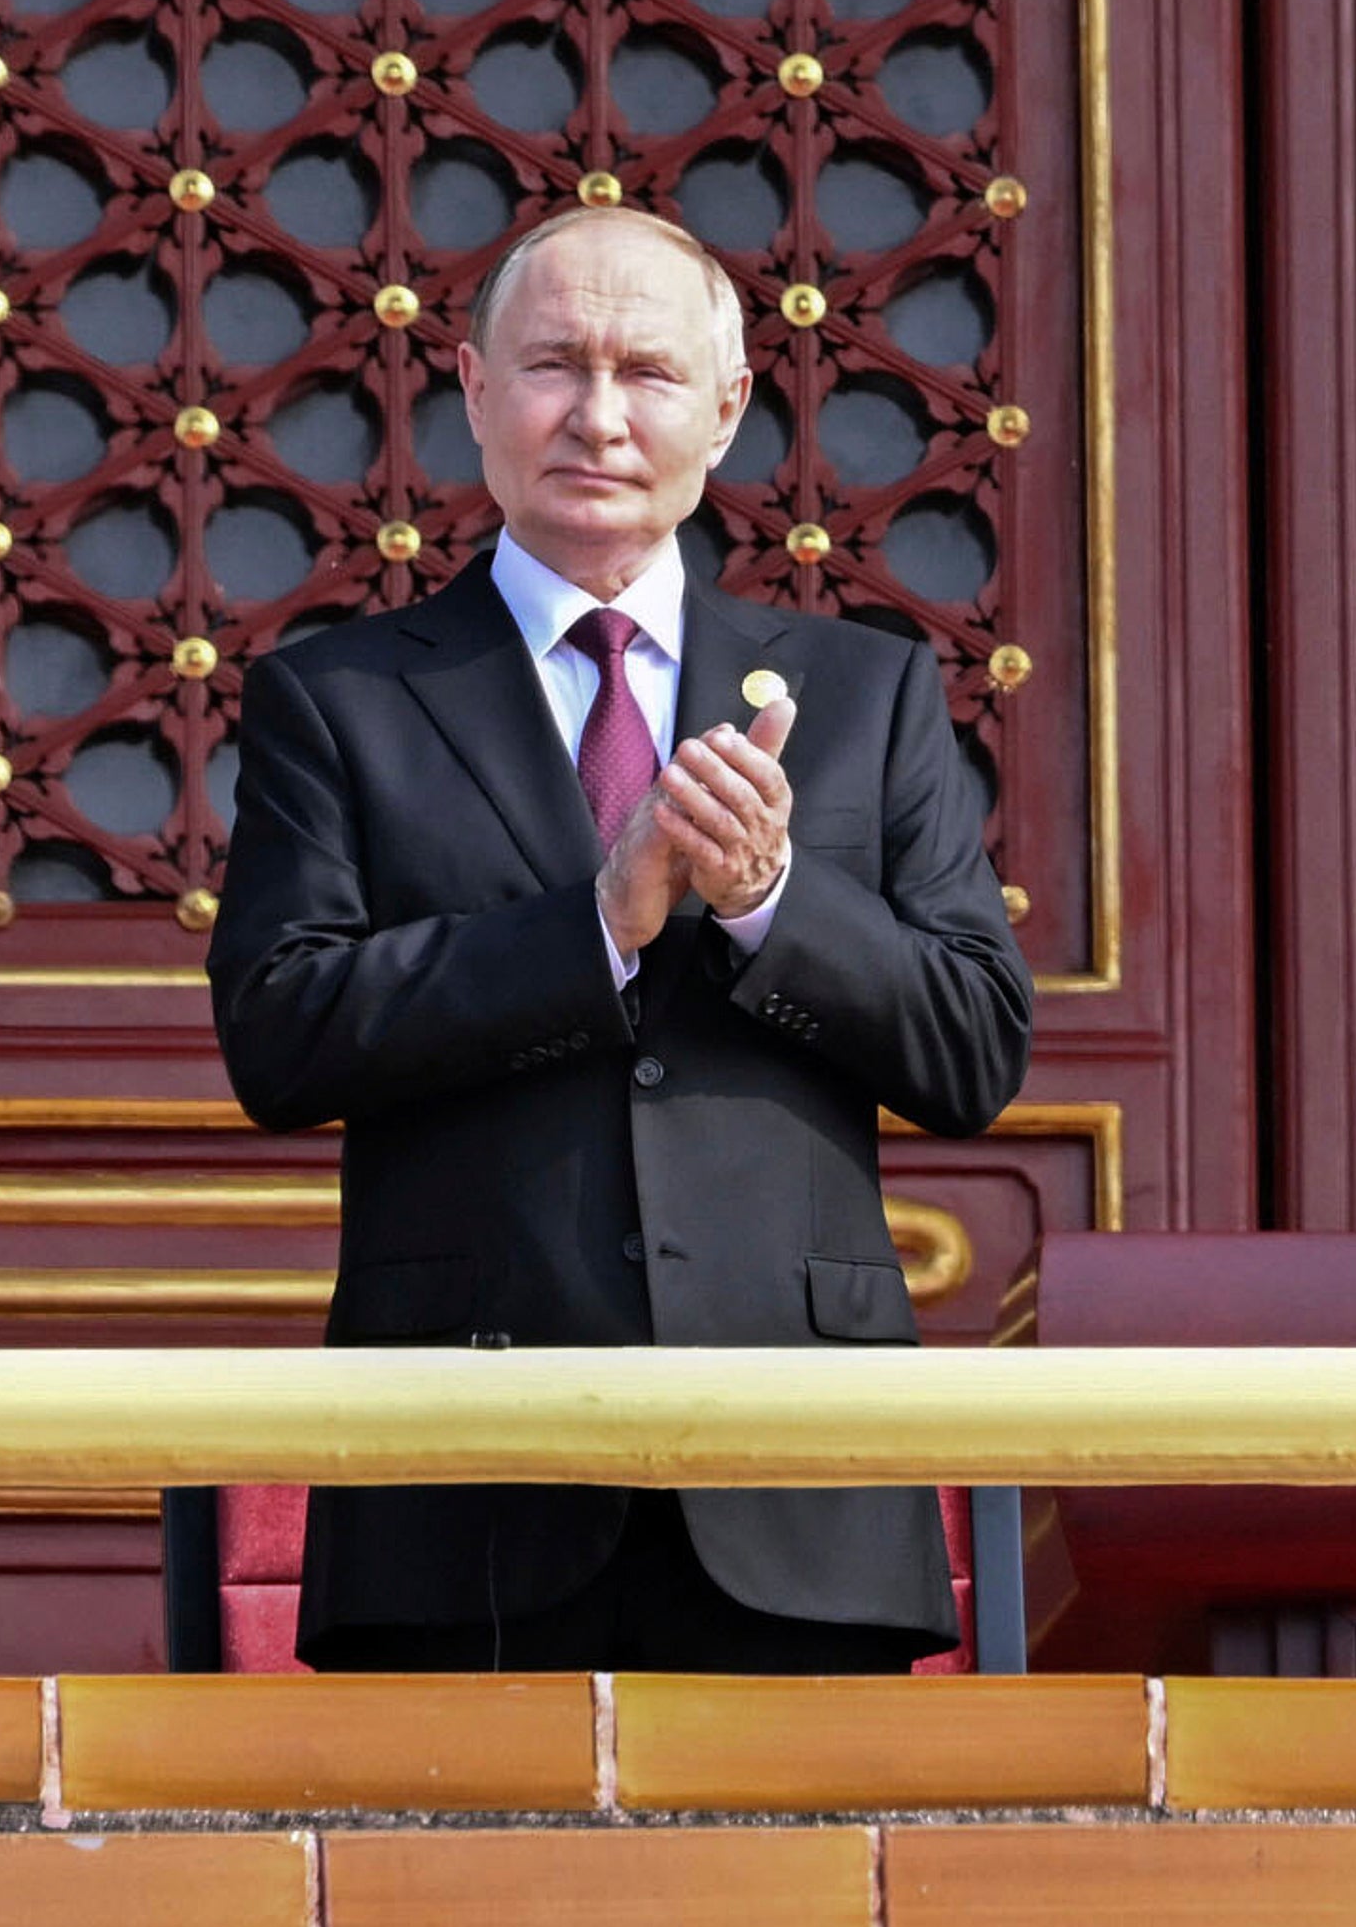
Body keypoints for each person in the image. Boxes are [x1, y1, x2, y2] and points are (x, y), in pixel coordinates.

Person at [209, 206, 1032, 1670]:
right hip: (466, 1479)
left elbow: (974, 1047)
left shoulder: (865, 690)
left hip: (796, 1481)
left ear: (724, 412)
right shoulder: (341, 699)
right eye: (553, 366)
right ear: (469, 390)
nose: (596, 415)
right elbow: (282, 1030)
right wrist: (598, 921)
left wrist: (773, 896)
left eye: (647, 373)